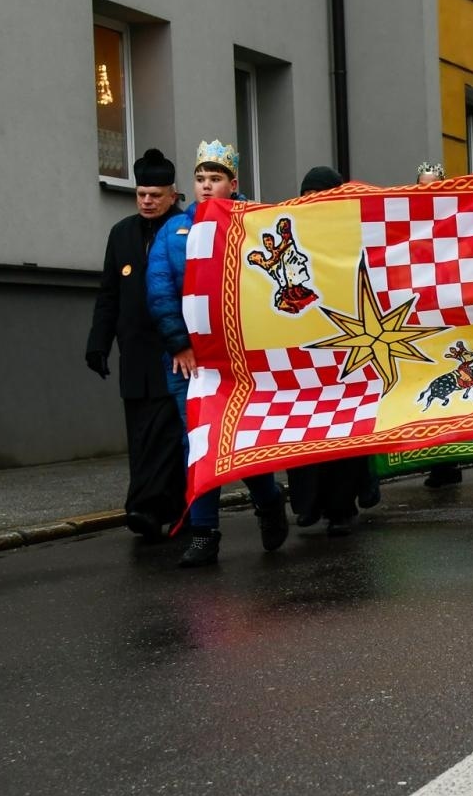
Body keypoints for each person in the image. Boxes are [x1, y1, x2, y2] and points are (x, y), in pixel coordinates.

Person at [146, 140, 291, 567]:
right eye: (201, 179)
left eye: (215, 179)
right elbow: (158, 290)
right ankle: (205, 534)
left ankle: (267, 500)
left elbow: (264, 292)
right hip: (188, 362)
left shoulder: (254, 226)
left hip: (239, 361)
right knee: (201, 444)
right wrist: (179, 344)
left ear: (233, 183)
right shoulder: (173, 233)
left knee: (241, 438)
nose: (206, 186)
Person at [85, 148, 188, 540]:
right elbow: (108, 294)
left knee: (166, 433)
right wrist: (99, 341)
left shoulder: (184, 230)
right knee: (140, 434)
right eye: (141, 194)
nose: (147, 201)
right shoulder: (121, 234)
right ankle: (162, 507)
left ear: (172, 195)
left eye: (155, 194)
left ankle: (144, 507)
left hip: (174, 352)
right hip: (134, 355)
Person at [281, 165, 381, 536]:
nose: (314, 203)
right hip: (303, 349)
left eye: (322, 195)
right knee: (303, 429)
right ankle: (308, 504)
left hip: (347, 348)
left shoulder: (352, 231)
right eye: (308, 197)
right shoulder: (288, 232)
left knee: (342, 432)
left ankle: (341, 506)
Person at [408, 162, 467, 491]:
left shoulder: (456, 222)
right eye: (422, 185)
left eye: (434, 185)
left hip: (447, 318)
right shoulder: (406, 222)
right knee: (428, 387)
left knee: (448, 388)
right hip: (418, 318)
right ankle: (434, 458)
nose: (428, 191)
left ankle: (449, 460)